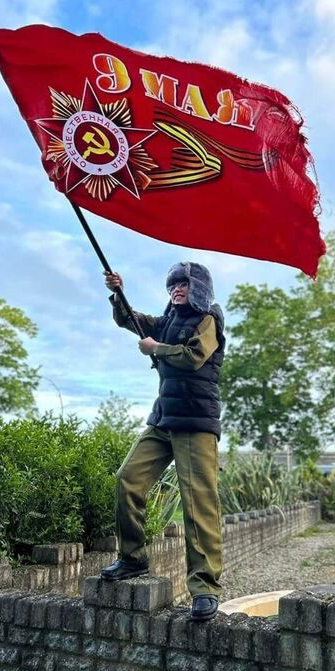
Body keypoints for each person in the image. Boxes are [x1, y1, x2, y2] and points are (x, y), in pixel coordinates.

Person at [100, 262, 225, 622]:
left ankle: (204, 587)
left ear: (198, 286)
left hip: (196, 422)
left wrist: (156, 348)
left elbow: (193, 357)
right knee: (128, 479)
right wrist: (118, 294)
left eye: (183, 284)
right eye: (172, 285)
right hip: (164, 418)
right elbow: (131, 321)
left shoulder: (208, 318)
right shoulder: (169, 318)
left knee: (198, 502)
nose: (176, 289)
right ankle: (133, 558)